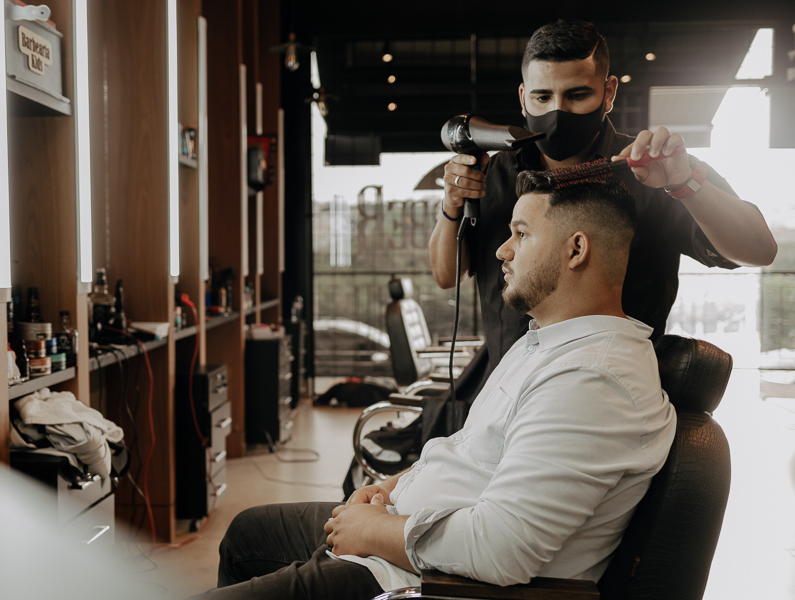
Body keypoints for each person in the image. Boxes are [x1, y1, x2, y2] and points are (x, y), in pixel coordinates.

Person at [191, 173, 676, 599]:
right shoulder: (545, 342)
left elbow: (501, 551)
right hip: (400, 535)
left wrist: (376, 531)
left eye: (521, 234)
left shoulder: (591, 381)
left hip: (423, 582)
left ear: (576, 249)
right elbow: (468, 452)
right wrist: (386, 487)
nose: (501, 251)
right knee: (246, 534)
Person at [431, 18, 777, 377]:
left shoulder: (655, 168)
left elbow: (759, 250)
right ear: (523, 98)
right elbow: (446, 275)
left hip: (613, 389)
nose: (557, 112)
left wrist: (684, 182)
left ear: (608, 92)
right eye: (542, 97)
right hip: (506, 384)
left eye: (577, 95)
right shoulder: (493, 174)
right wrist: (451, 205)